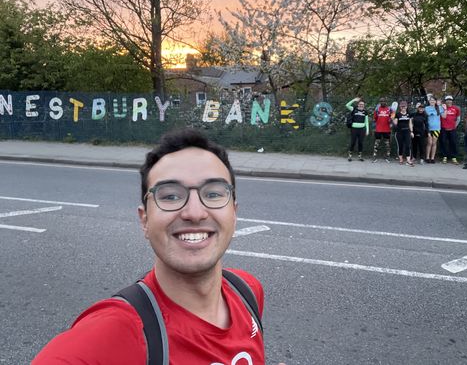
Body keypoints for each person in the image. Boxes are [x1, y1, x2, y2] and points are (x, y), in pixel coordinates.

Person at [33, 129, 285, 365]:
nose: (194, 212)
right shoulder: (118, 330)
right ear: (144, 220)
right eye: (170, 196)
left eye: (214, 193)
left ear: (234, 213)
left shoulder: (248, 291)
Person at [440, 95, 461, 164]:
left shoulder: (456, 108)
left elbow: (458, 119)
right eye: (447, 100)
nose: (449, 101)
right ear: (445, 101)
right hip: (443, 129)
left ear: (452, 101)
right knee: (443, 142)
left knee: (453, 143)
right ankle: (444, 157)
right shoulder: (442, 108)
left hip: (452, 129)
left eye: (450, 100)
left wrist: (454, 126)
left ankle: (454, 157)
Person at [424, 96, 446, 164]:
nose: (432, 101)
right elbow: (425, 116)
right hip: (429, 128)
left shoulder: (439, 108)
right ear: (429, 101)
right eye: (431, 100)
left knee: (434, 143)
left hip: (436, 128)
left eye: (433, 100)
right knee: (429, 143)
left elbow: (444, 116)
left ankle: (432, 158)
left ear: (435, 101)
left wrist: (445, 109)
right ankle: (427, 157)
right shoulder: (426, 108)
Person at [393, 100, 415, 166]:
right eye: (402, 106)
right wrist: (392, 118)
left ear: (406, 107)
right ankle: (401, 159)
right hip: (399, 132)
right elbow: (395, 123)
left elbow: (410, 123)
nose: (403, 107)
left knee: (408, 146)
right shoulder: (397, 114)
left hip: (407, 132)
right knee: (400, 146)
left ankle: (408, 160)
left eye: (404, 106)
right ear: (400, 107)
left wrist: (411, 132)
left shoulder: (409, 114)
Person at [372, 97, 392, 163]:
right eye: (381, 101)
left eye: (384, 101)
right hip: (378, 130)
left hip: (387, 130)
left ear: (386, 102)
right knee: (376, 144)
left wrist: (390, 119)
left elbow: (393, 116)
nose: (383, 102)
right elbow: (374, 119)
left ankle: (388, 157)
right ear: (380, 102)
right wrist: (374, 125)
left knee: (387, 145)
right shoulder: (377, 109)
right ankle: (374, 157)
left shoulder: (389, 109)